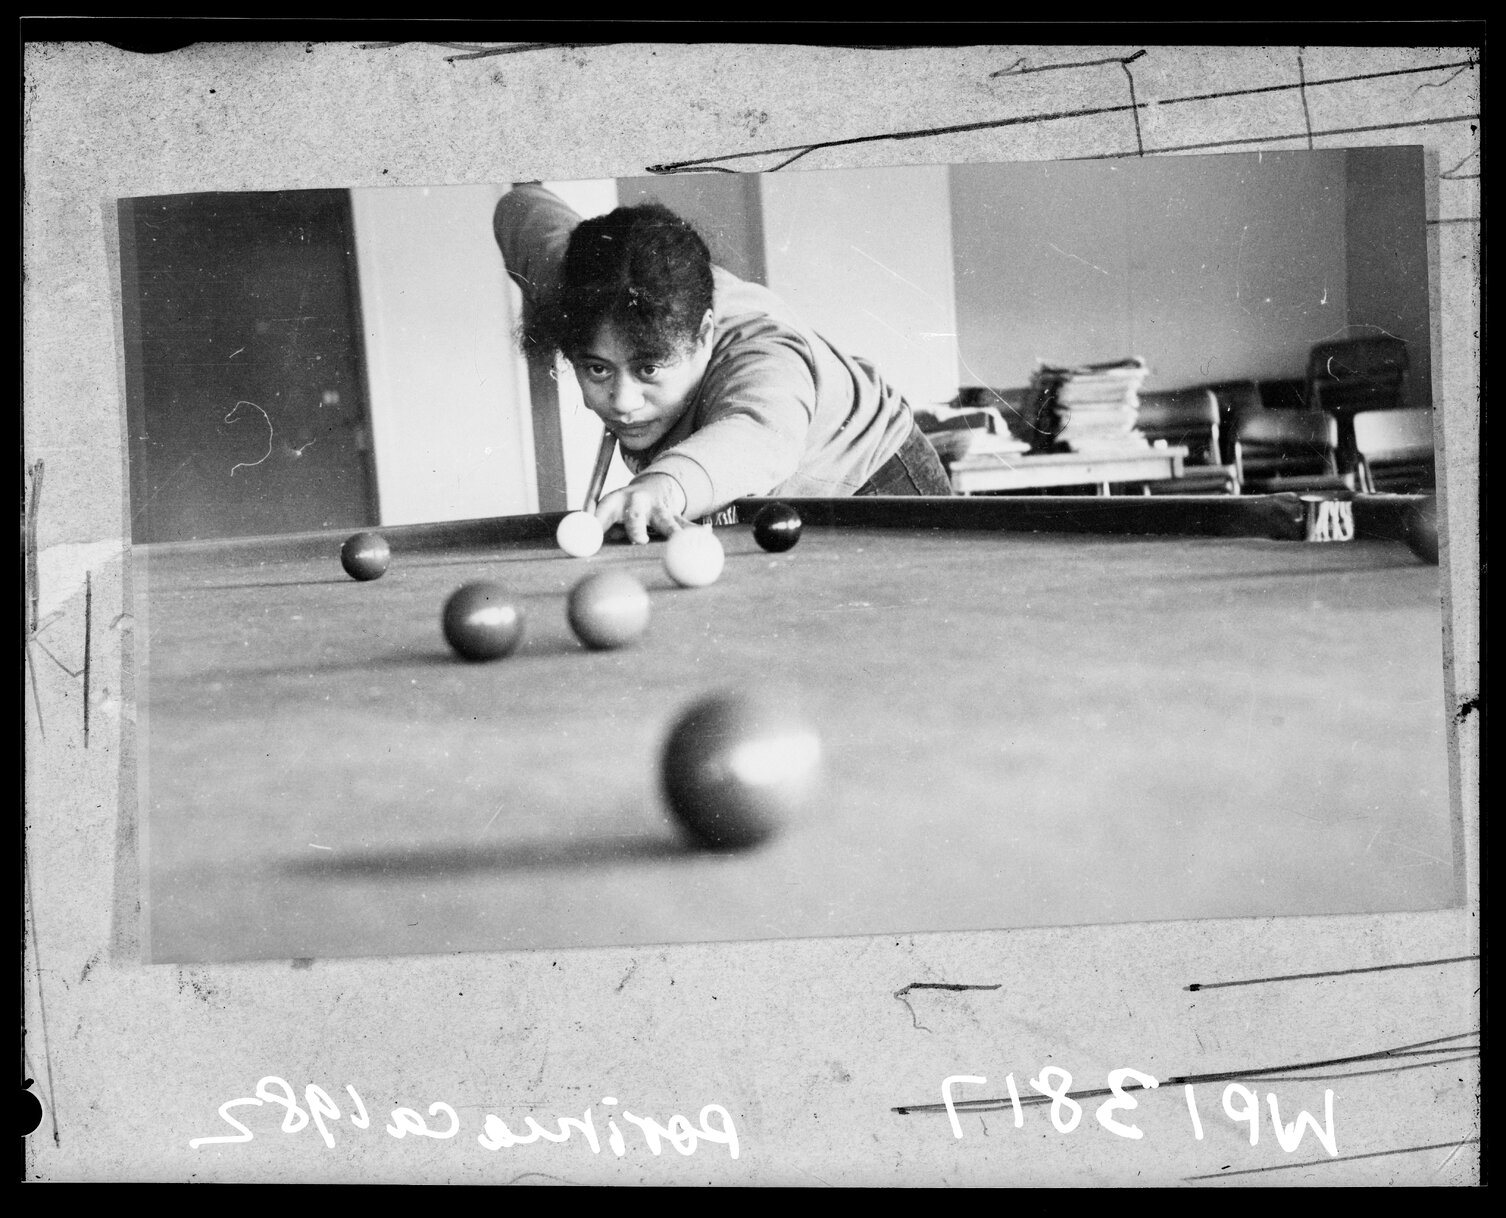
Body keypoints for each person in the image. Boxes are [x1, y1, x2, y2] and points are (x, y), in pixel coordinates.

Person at [494, 183, 951, 544]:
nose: (622, 402)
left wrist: (663, 487)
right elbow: (521, 206)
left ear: (704, 335)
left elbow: (760, 432)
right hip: (756, 498)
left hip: (873, 477)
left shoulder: (762, 351)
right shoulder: (574, 283)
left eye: (649, 369)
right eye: (597, 369)